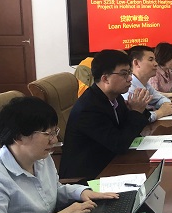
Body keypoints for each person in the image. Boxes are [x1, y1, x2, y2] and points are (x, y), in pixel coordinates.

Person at [0, 97, 118, 213]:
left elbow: (54, 190)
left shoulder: (42, 156)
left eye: (55, 132)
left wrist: (81, 192)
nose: (54, 140)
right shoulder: (2, 176)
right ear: (19, 137)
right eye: (48, 134)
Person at [60, 49, 152, 180]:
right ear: (105, 78)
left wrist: (137, 109)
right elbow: (119, 144)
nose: (130, 78)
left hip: (111, 163)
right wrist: (136, 112)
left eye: (129, 73)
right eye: (124, 74)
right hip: (86, 177)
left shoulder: (114, 97)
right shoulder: (89, 108)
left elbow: (128, 131)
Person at [124, 45, 172, 122]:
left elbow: (161, 98)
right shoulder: (128, 88)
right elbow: (136, 118)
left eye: (155, 60)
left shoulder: (145, 84)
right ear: (136, 63)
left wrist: (166, 106)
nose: (156, 64)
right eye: (151, 60)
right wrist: (160, 112)